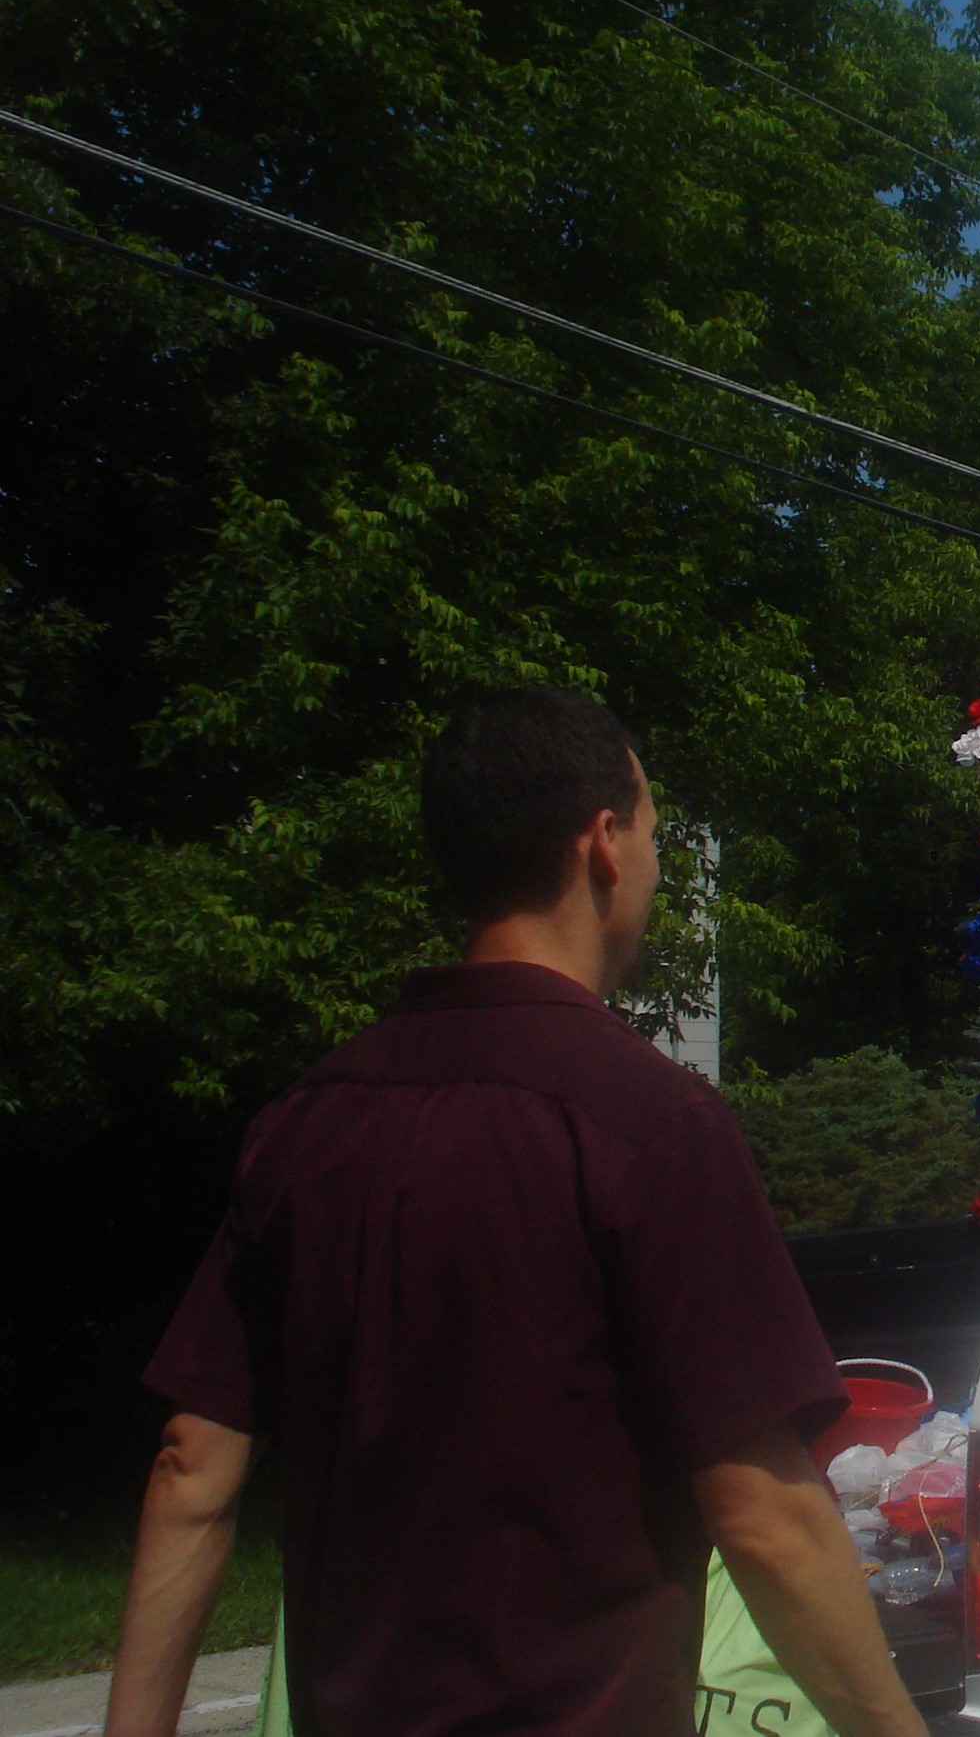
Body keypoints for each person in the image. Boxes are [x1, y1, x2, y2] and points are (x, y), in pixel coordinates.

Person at [106, 689, 924, 1737]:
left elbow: (190, 1468)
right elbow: (763, 1514)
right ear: (603, 846)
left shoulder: (305, 1123)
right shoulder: (648, 1121)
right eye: (653, 833)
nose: (656, 867)